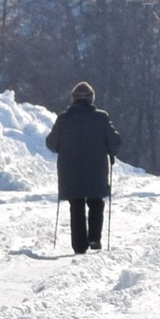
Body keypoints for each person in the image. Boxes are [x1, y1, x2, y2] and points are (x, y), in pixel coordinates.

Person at [45, 80, 119, 254]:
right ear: (91, 99)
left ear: (73, 99)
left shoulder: (64, 119)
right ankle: (94, 238)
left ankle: (79, 245)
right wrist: (110, 149)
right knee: (96, 202)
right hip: (96, 170)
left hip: (70, 171)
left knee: (76, 204)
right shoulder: (101, 118)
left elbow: (51, 143)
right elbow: (115, 142)